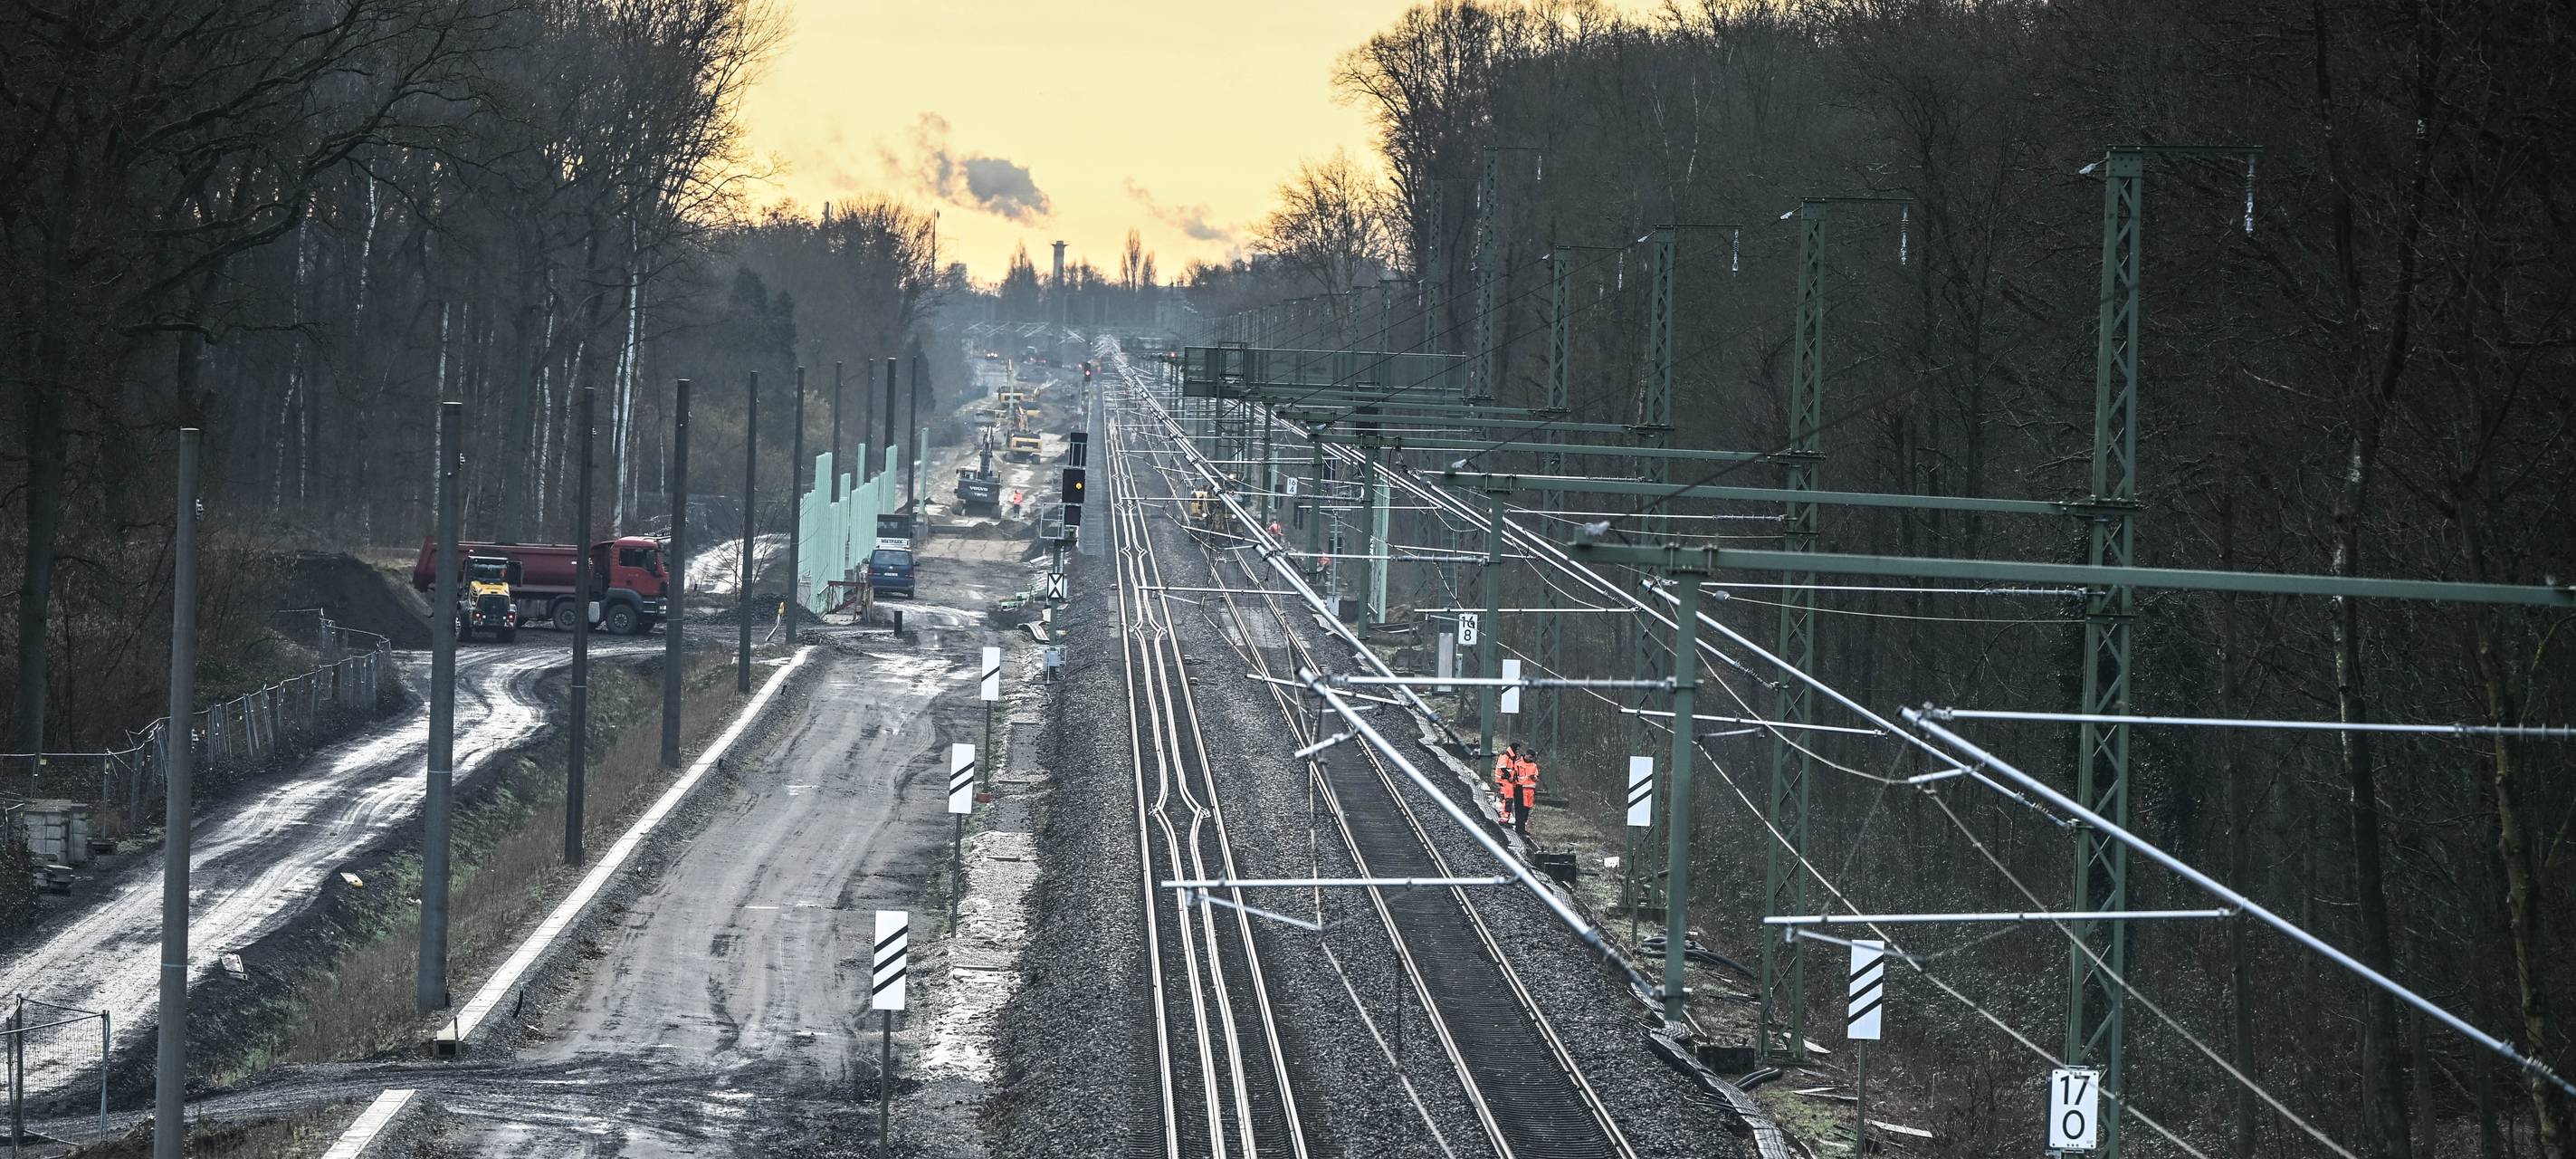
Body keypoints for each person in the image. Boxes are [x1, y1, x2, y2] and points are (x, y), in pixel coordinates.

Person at [1512, 748, 1541, 837]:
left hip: (1530, 790)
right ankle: (1519, 828)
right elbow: (1514, 775)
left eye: (1532, 757)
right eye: (1530, 756)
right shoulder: (1518, 763)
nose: (1531, 758)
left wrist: (1534, 778)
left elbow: (1536, 777)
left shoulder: (1533, 765)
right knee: (1520, 810)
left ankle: (1522, 828)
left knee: (1527, 810)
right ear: (1527, 754)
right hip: (1520, 789)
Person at [1493, 744, 1522, 827]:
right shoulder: (1506, 756)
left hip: (1506, 781)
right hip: (1505, 780)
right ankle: (1504, 819)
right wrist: (1509, 777)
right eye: (1517, 749)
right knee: (1508, 799)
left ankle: (1504, 818)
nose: (1518, 751)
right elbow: (1503, 768)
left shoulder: (1510, 756)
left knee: (1507, 800)